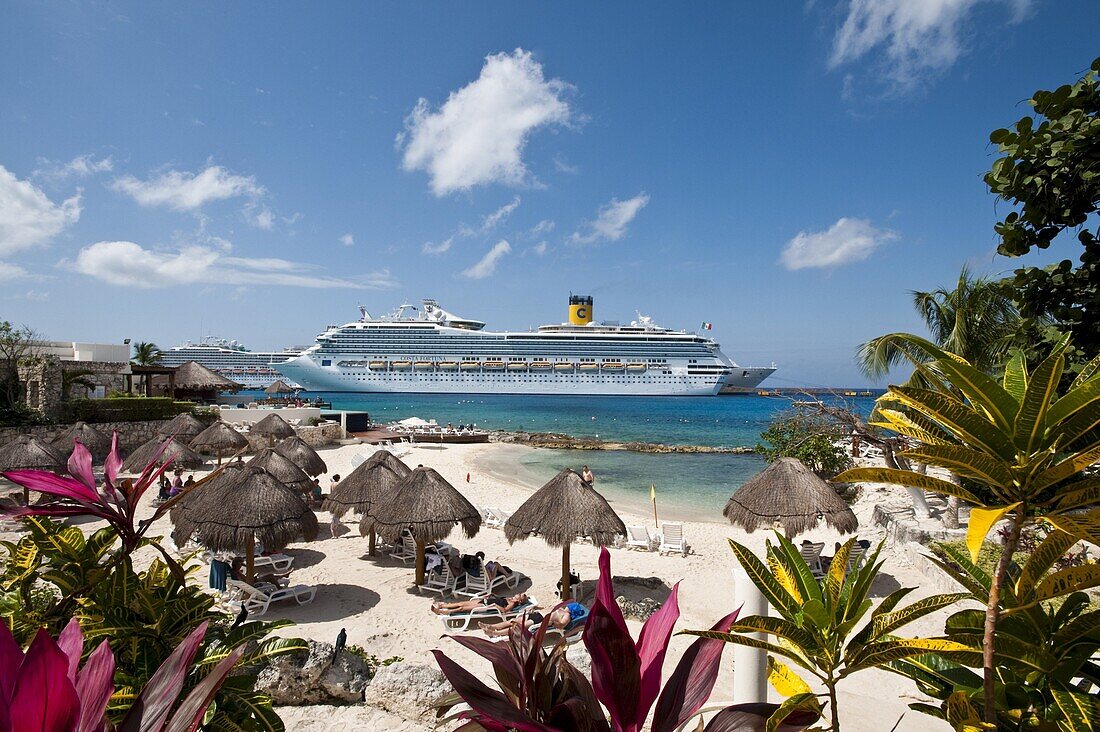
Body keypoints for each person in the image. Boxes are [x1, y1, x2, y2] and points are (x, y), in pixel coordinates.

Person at [431, 593, 529, 616]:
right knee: (461, 603)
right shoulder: (510, 598)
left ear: (520, 600)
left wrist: (495, 605)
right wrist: (492, 595)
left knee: (462, 608)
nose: (518, 594)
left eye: (520, 595)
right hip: (485, 600)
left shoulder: (512, 604)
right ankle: (442, 606)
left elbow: (504, 611)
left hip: (486, 606)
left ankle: (443, 612)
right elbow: (499, 599)